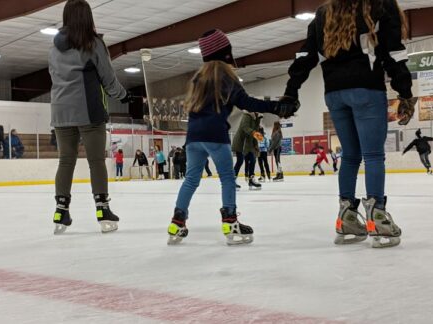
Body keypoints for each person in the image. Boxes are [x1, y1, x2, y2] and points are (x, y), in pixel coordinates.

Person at [284, 0, 414, 247]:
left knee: (351, 156)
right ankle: (378, 218)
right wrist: (405, 91)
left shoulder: (324, 12)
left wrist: (291, 91)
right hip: (366, 89)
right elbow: (393, 51)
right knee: (374, 156)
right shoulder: (379, 4)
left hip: (334, 94)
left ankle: (347, 217)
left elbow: (305, 54)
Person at [167, 29, 299, 245]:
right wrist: (276, 106)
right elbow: (247, 103)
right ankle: (230, 221)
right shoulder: (225, 76)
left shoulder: (198, 78)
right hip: (215, 135)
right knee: (227, 178)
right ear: (224, 52)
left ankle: (176, 223)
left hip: (193, 137)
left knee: (191, 180)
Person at [49, 0, 128, 235]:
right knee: (96, 161)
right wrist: (123, 96)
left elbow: (53, 77)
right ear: (87, 17)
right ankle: (102, 209)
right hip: (88, 110)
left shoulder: (54, 47)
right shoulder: (93, 43)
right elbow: (108, 78)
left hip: (60, 111)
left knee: (66, 160)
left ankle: (60, 211)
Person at [232, 111, 263, 190]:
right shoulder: (246, 116)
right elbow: (245, 127)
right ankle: (232, 181)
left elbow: (255, 133)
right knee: (240, 161)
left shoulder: (256, 119)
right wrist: (254, 133)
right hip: (241, 142)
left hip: (249, 143)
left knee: (252, 160)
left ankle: (251, 180)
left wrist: (256, 145)